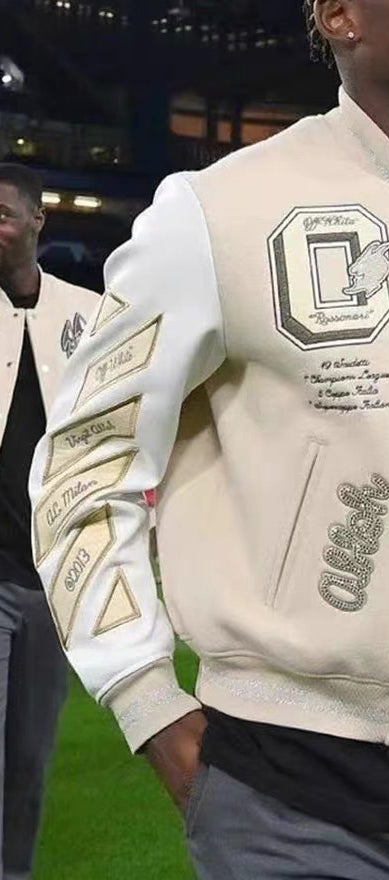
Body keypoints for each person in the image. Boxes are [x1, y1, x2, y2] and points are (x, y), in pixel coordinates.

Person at [29, 1, 389, 878]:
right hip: (281, 794)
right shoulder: (216, 214)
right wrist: (147, 702)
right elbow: (84, 462)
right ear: (340, 15)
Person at [0, 163, 99, 879]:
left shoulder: (86, 314)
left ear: (38, 220)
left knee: (30, 760)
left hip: (50, 578)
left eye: (4, 213)